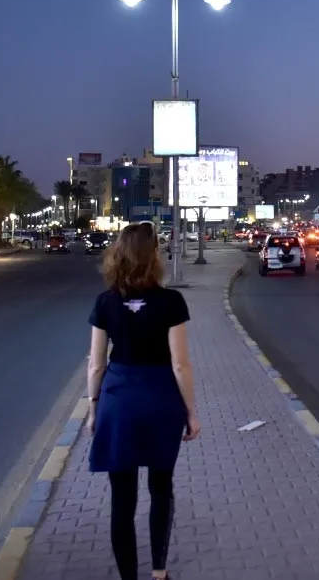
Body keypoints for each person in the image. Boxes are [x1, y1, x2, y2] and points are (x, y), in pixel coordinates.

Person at [87, 222, 200, 580]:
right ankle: (159, 571)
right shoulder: (171, 302)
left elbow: (96, 364)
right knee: (161, 488)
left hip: (118, 401)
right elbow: (180, 364)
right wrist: (191, 413)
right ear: (153, 256)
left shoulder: (105, 302)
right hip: (161, 398)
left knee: (122, 500)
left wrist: (94, 409)